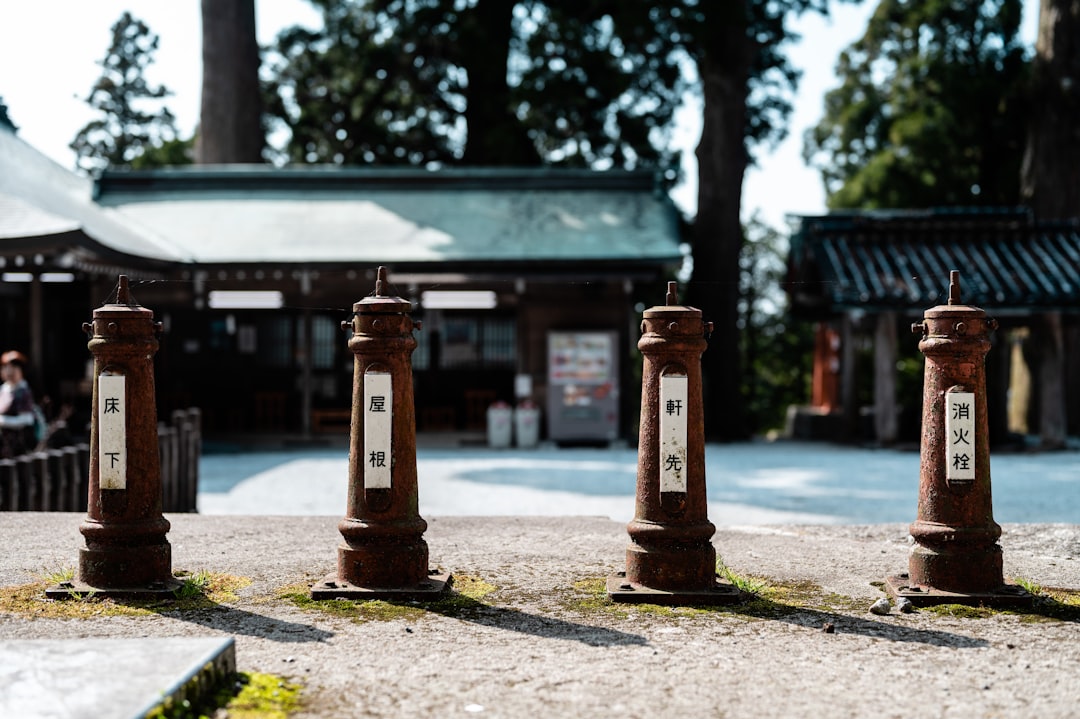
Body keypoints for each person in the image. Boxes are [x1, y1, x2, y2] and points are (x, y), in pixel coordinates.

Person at [0, 350, 37, 457]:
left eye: (14, 367)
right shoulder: (3, 389)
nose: (9, 371)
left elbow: (27, 419)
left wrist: (2, 421)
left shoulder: (23, 391)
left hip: (18, 446)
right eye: (5, 367)